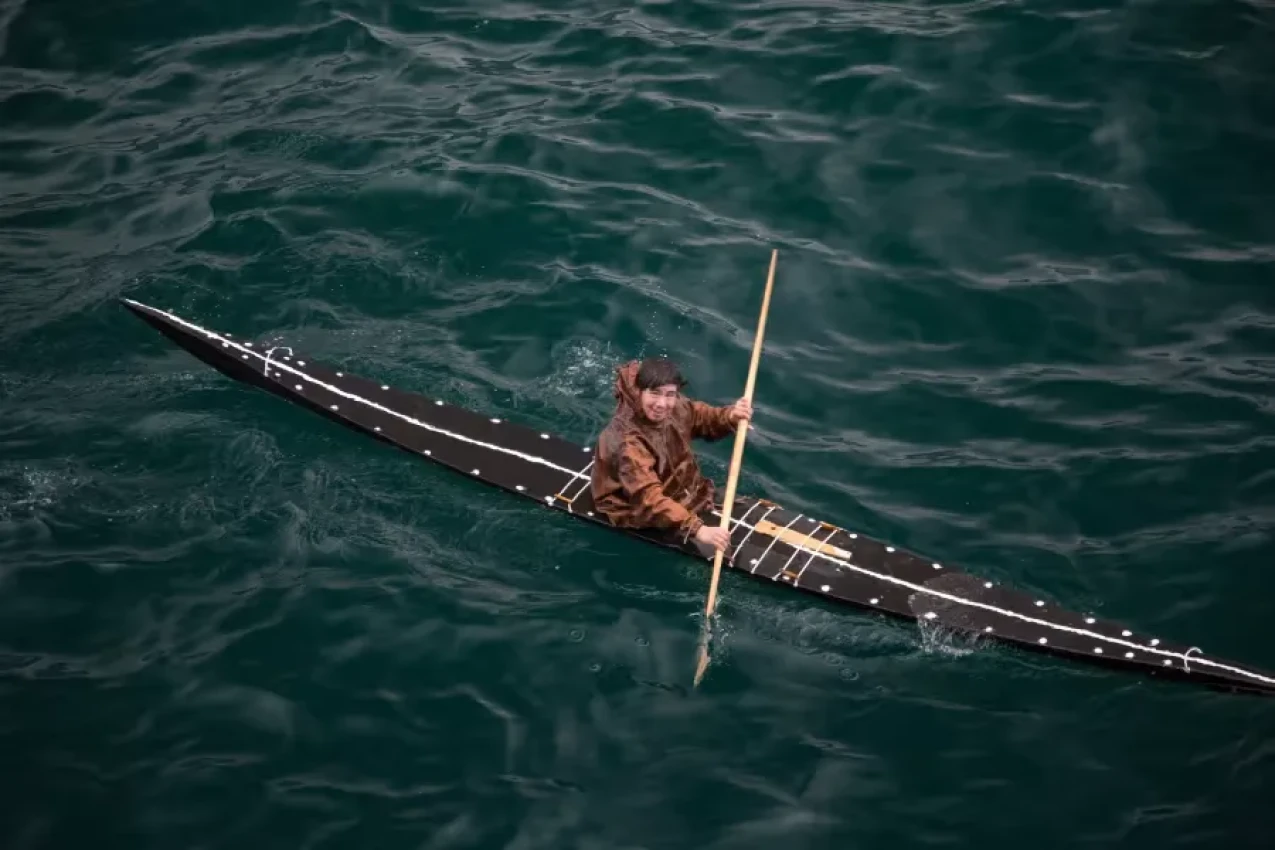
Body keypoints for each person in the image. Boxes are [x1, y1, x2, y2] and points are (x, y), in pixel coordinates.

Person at [590, 356, 752, 556]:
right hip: (632, 504)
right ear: (640, 391)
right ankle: (682, 516)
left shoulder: (675, 405)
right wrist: (698, 530)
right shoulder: (627, 442)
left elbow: (698, 415)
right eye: (654, 394)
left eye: (670, 395)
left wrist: (729, 416)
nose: (662, 404)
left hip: (676, 487)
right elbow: (648, 497)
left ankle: (689, 503)